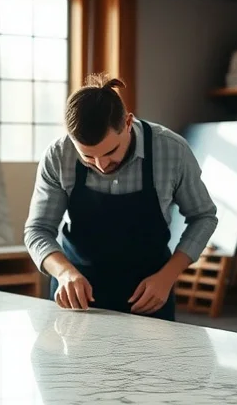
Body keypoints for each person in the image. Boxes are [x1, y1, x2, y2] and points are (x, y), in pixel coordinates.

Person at [23, 74, 218, 321]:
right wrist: (63, 273)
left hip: (149, 295)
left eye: (110, 151)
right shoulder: (58, 155)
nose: (101, 165)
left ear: (127, 122)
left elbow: (204, 217)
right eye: (88, 157)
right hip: (79, 299)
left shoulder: (171, 150)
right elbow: (38, 229)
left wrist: (167, 277)